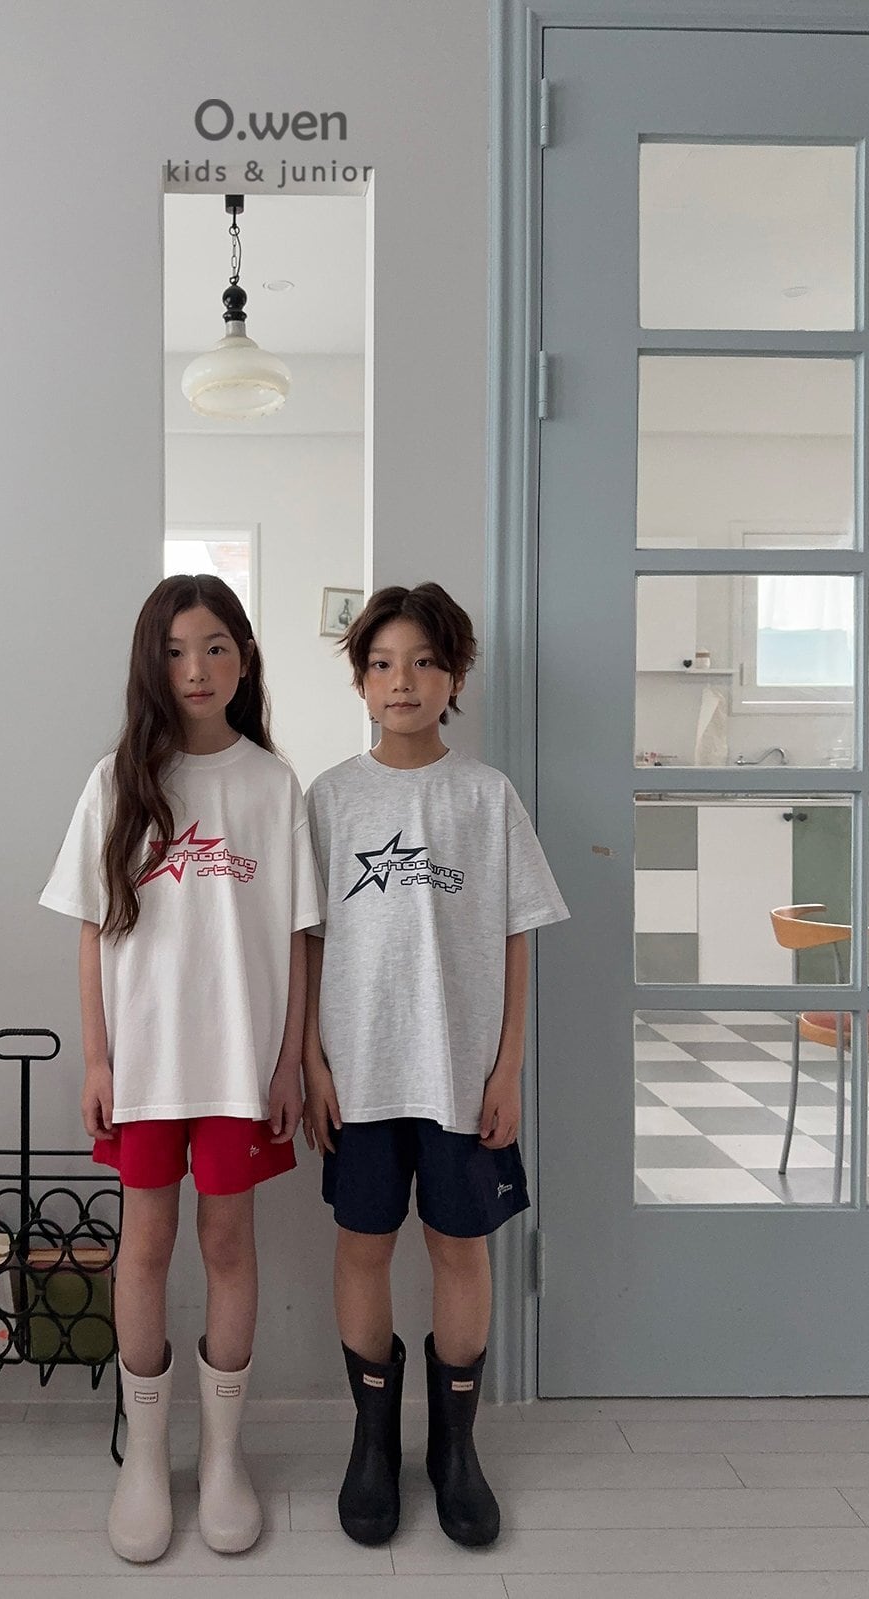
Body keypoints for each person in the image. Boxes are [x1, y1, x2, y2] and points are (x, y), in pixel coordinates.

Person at [40, 573, 318, 1564]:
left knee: (229, 1243)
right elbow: (90, 931)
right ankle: (148, 1459)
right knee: (145, 1246)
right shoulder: (116, 781)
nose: (194, 668)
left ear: (243, 659)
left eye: (213, 647)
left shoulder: (273, 785)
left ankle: (225, 1456)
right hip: (146, 1068)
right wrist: (97, 1057)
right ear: (148, 665)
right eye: (173, 651)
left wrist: (289, 1061)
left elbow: (300, 936)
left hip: (240, 1068)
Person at [302, 582, 568, 1549]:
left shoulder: (486, 796)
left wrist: (509, 1068)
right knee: (362, 1244)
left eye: (422, 662)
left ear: (454, 676)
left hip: (461, 1077)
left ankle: (456, 1450)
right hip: (360, 1073)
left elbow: (516, 937)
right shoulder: (330, 797)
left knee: (461, 1247)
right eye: (381, 664)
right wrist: (311, 1059)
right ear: (360, 680)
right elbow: (307, 942)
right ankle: (372, 1443)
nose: (401, 681)